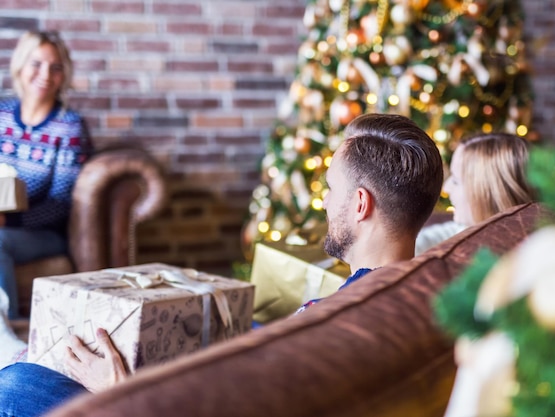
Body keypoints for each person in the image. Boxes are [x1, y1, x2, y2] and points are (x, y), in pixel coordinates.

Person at [0, 113, 443, 416]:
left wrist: (122, 391)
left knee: (16, 383)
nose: (324, 201)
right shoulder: (426, 285)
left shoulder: (333, 324)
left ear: (361, 204)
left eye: (330, 188)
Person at [0, 30, 92, 319]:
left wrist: (8, 219)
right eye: (36, 64)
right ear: (20, 66)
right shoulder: (2, 115)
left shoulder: (69, 126)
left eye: (56, 67)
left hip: (42, 233)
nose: (45, 74)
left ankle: (7, 339)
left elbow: (61, 202)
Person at [414, 132, 534, 255]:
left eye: (455, 181)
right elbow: (429, 238)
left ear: (487, 193)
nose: (446, 188)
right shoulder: (467, 230)